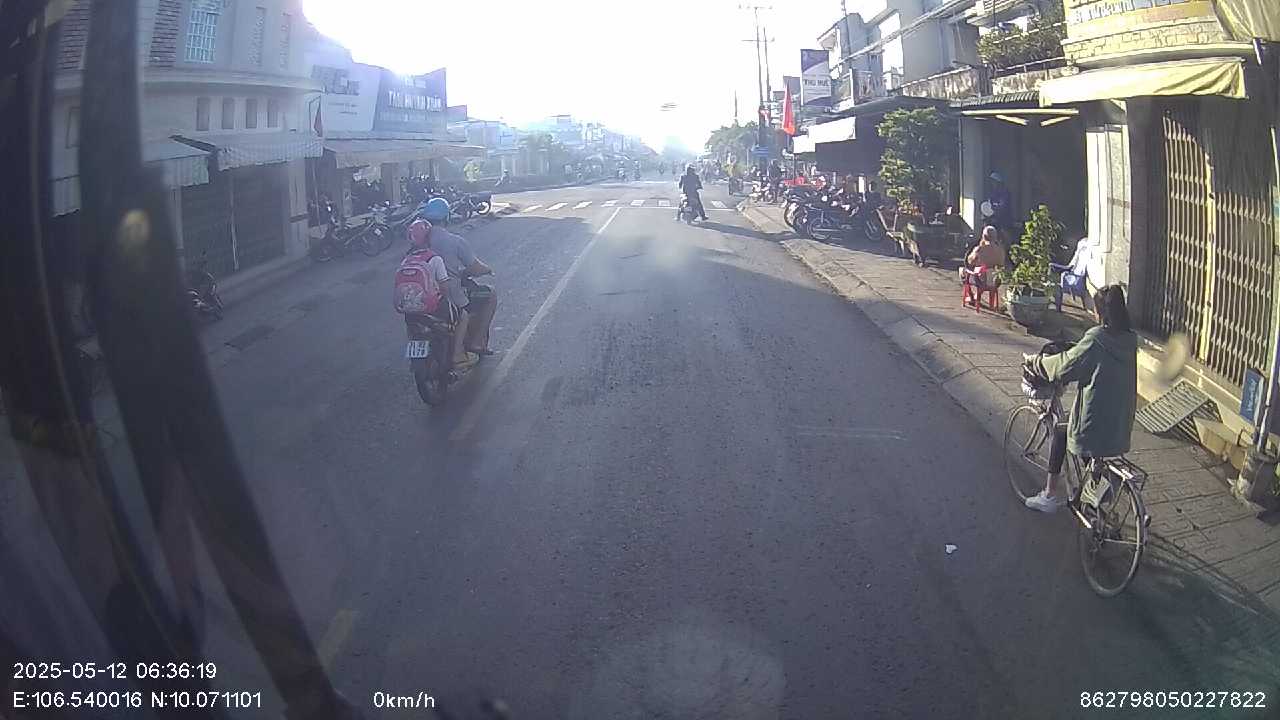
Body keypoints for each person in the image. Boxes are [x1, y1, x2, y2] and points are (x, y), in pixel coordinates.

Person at [1022, 285, 1137, 513]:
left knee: (1061, 432)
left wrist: (1037, 362)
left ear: (1101, 312)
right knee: (1092, 453)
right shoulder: (1129, 340)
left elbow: (1065, 366)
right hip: (1122, 420)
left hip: (1094, 420)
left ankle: (1049, 495)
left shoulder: (1097, 338)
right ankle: (1095, 496)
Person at [418, 198, 497, 368]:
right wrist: (487, 269)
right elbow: (475, 268)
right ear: (446, 218)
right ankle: (473, 344)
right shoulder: (454, 241)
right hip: (448, 296)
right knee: (490, 293)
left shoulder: (418, 243)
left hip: (420, 297)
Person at [1051, 237, 1092, 311]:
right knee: (1053, 269)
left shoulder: (1085, 249)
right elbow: (1071, 266)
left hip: (1078, 277)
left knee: (1057, 287)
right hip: (1076, 273)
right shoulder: (1081, 248)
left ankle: (1058, 308)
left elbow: (1077, 269)